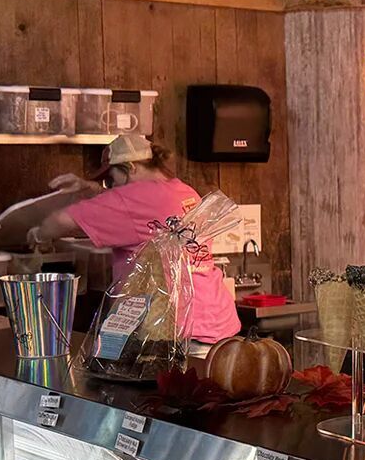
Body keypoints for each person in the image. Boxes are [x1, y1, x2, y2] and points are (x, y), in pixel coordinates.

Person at [27, 133, 240, 344]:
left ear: (131, 167)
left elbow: (60, 221)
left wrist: (39, 235)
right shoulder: (183, 191)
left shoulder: (134, 197)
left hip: (173, 331)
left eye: (111, 179)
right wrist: (89, 188)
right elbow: (134, 206)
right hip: (216, 322)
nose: (112, 187)